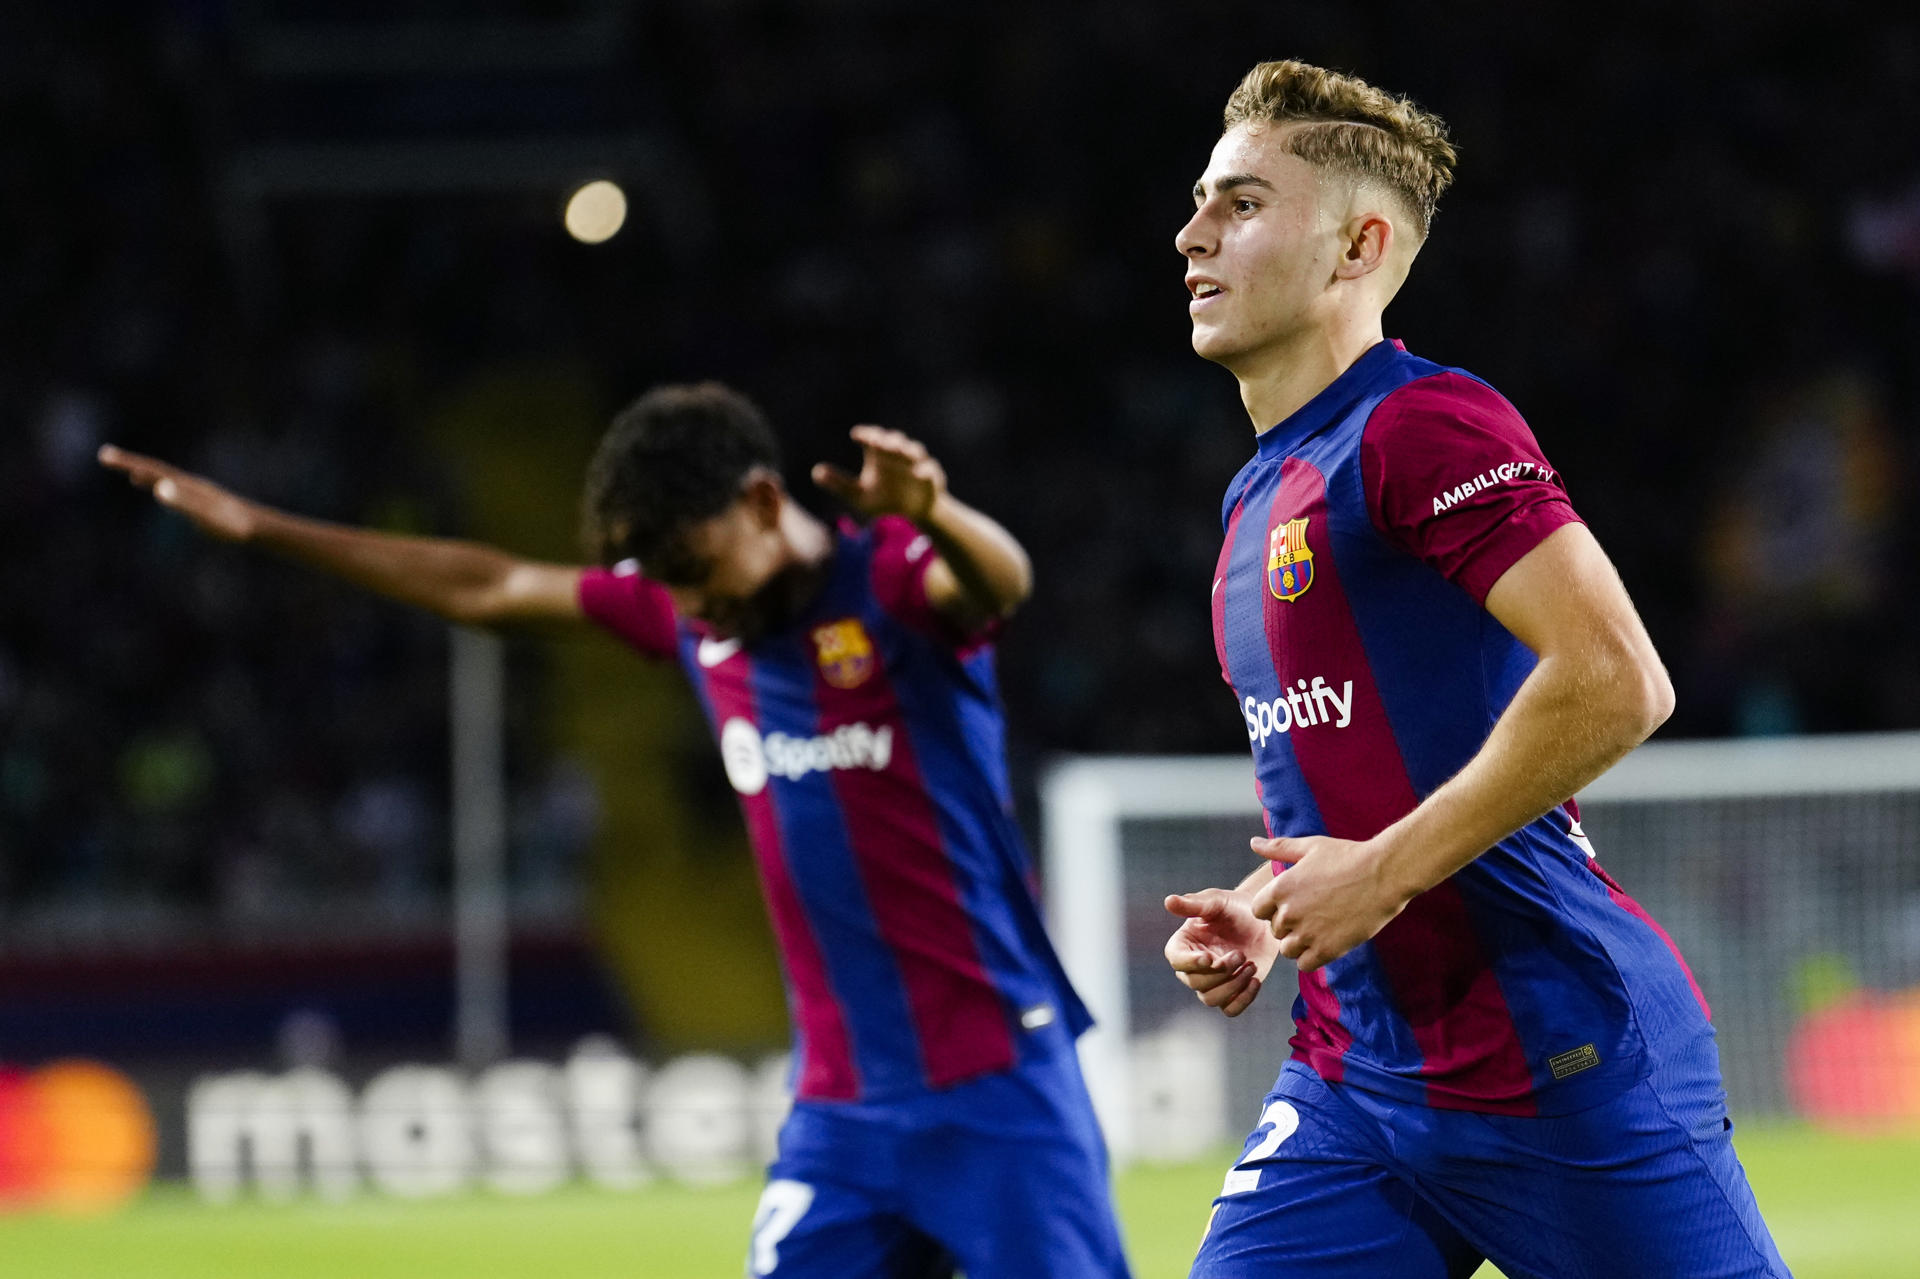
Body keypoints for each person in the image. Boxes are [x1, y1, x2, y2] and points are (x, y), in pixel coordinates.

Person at [100, 382, 1130, 1279]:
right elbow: (491, 585)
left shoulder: (898, 582)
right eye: (667, 584)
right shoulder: (694, 617)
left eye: (694, 564)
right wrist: (265, 528)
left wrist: (939, 510)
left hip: (998, 1086)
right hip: (842, 1111)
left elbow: (1000, 581)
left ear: (763, 502)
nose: (691, 604)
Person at [1158, 61, 1790, 1278]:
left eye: (1240, 203)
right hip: (1356, 1078)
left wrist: (1382, 874)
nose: (1191, 235)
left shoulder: (1420, 423)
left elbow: (1618, 678)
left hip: (1558, 1066)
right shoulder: (1257, 493)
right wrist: (1277, 915)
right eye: (1198, 201)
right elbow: (1362, 774)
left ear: (1359, 245)